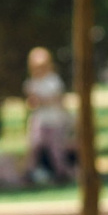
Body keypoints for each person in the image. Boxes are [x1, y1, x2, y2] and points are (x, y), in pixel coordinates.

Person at [24, 47, 78, 184]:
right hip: (40, 120)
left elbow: (58, 99)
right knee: (34, 147)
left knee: (56, 150)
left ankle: (62, 174)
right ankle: (30, 174)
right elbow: (32, 102)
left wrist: (43, 100)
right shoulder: (32, 82)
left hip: (54, 120)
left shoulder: (53, 81)